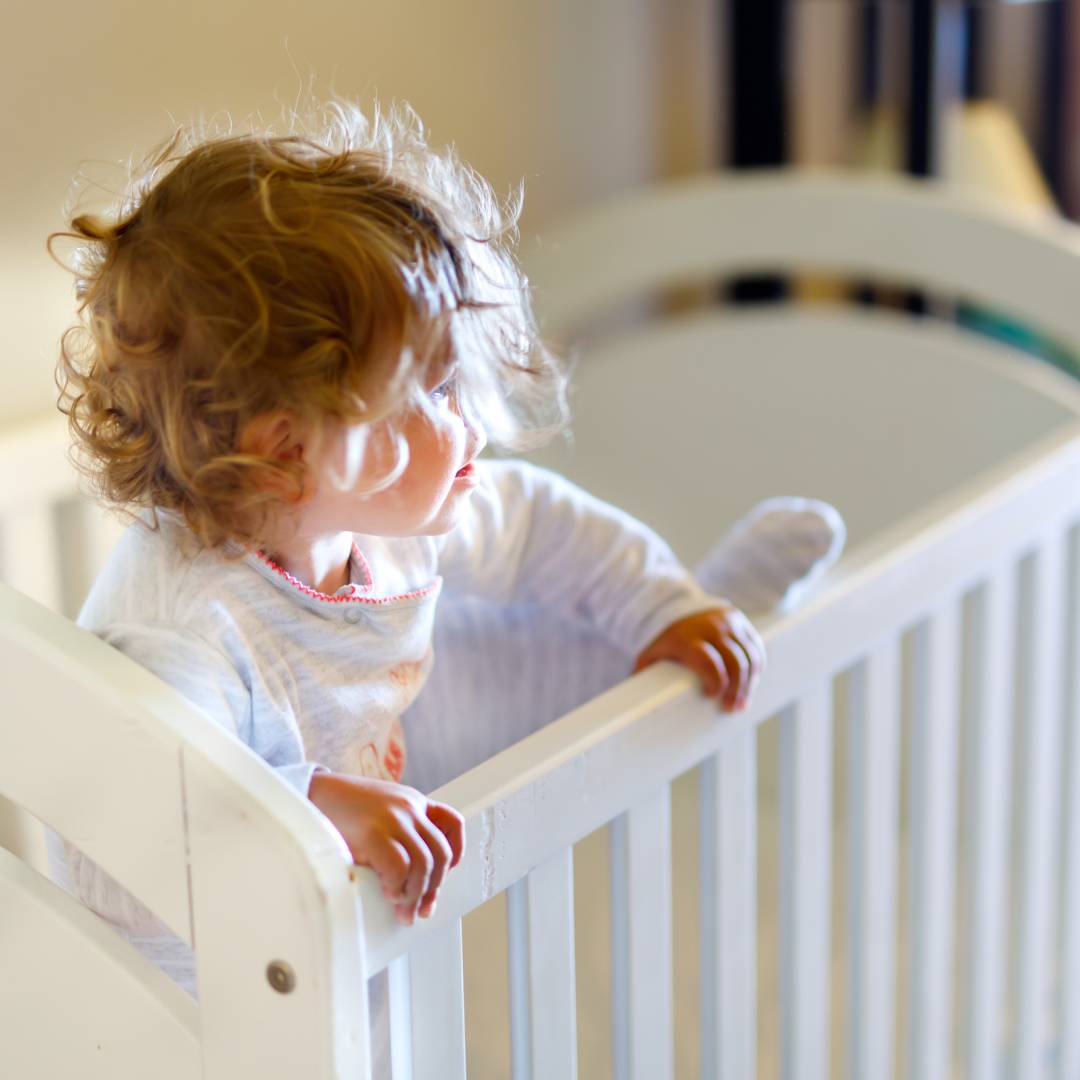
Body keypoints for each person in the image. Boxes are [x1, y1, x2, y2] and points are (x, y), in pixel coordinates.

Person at [48, 101, 841, 1064]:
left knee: (514, 631)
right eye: (426, 393)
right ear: (289, 449)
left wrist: (659, 602)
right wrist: (317, 804)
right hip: (207, 994)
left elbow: (542, 523)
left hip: (345, 881)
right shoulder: (185, 625)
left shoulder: (381, 521)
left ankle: (686, 632)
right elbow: (142, 823)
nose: (471, 416)